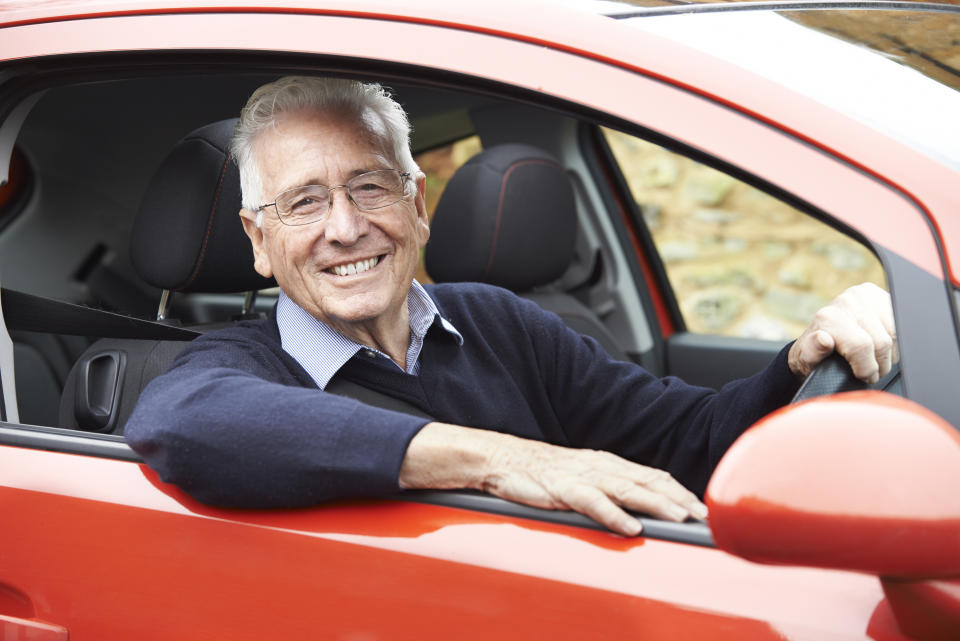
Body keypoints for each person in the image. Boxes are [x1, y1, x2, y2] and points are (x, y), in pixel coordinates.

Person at [124, 76, 896, 536]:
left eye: (369, 186)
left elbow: (690, 439)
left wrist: (799, 360)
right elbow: (182, 422)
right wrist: (501, 459)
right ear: (259, 241)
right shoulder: (234, 365)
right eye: (304, 202)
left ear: (417, 204)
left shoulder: (497, 321)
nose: (346, 227)